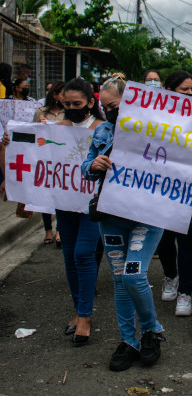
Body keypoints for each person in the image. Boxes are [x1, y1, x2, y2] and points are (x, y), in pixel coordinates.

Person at [82, 75, 166, 371]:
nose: (109, 112)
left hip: (147, 216)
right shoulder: (103, 130)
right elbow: (86, 167)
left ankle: (152, 331)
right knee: (120, 280)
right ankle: (129, 341)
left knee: (133, 276)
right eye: (104, 107)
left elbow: (183, 156)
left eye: (113, 106)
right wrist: (93, 164)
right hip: (111, 216)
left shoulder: (158, 129)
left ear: (130, 101)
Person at [55, 77, 104, 347]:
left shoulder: (102, 128)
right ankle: (78, 310)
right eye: (67, 104)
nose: (72, 108)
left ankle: (84, 316)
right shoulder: (55, 129)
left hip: (92, 202)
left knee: (83, 253)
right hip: (64, 202)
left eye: (78, 103)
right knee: (69, 255)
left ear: (90, 103)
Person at [155, 70, 192, 316]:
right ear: (170, 91)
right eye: (185, 90)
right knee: (164, 238)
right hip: (160, 188)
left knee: (187, 239)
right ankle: (170, 276)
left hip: (188, 186)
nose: (190, 94)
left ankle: (184, 292)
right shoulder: (155, 117)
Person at [33, 81, 66, 246]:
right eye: (62, 93)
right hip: (45, 159)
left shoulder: (67, 113)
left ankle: (60, 230)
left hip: (62, 160)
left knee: (61, 195)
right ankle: (48, 230)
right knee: (45, 196)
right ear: (55, 95)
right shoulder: (41, 112)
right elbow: (33, 133)